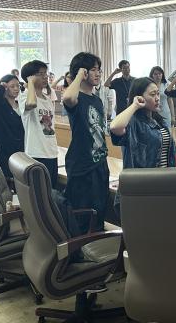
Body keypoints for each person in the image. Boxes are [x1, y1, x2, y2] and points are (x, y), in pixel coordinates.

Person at [63, 52, 109, 233]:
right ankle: (82, 247)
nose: (98, 73)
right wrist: (78, 76)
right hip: (82, 165)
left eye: (99, 70)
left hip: (100, 162)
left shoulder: (96, 100)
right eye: (93, 70)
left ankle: (98, 245)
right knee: (83, 218)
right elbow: (67, 98)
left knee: (99, 213)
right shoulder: (76, 98)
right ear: (82, 72)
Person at [111, 77, 176, 169]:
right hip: (145, 177)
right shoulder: (133, 122)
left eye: (158, 93)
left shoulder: (159, 121)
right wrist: (135, 105)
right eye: (153, 94)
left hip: (166, 176)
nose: (157, 98)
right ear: (140, 97)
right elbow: (114, 127)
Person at [19, 60, 59, 188]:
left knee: (52, 191)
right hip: (36, 153)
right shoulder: (24, 96)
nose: (45, 77)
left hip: (51, 151)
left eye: (45, 73)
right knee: (40, 193)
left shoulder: (47, 99)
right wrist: (30, 83)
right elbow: (31, 103)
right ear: (30, 77)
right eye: (40, 74)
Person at [0, 74, 24, 177]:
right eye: (12, 86)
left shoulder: (21, 105)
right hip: (3, 149)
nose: (16, 89)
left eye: (18, 86)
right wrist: (0, 87)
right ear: (5, 88)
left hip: (20, 148)